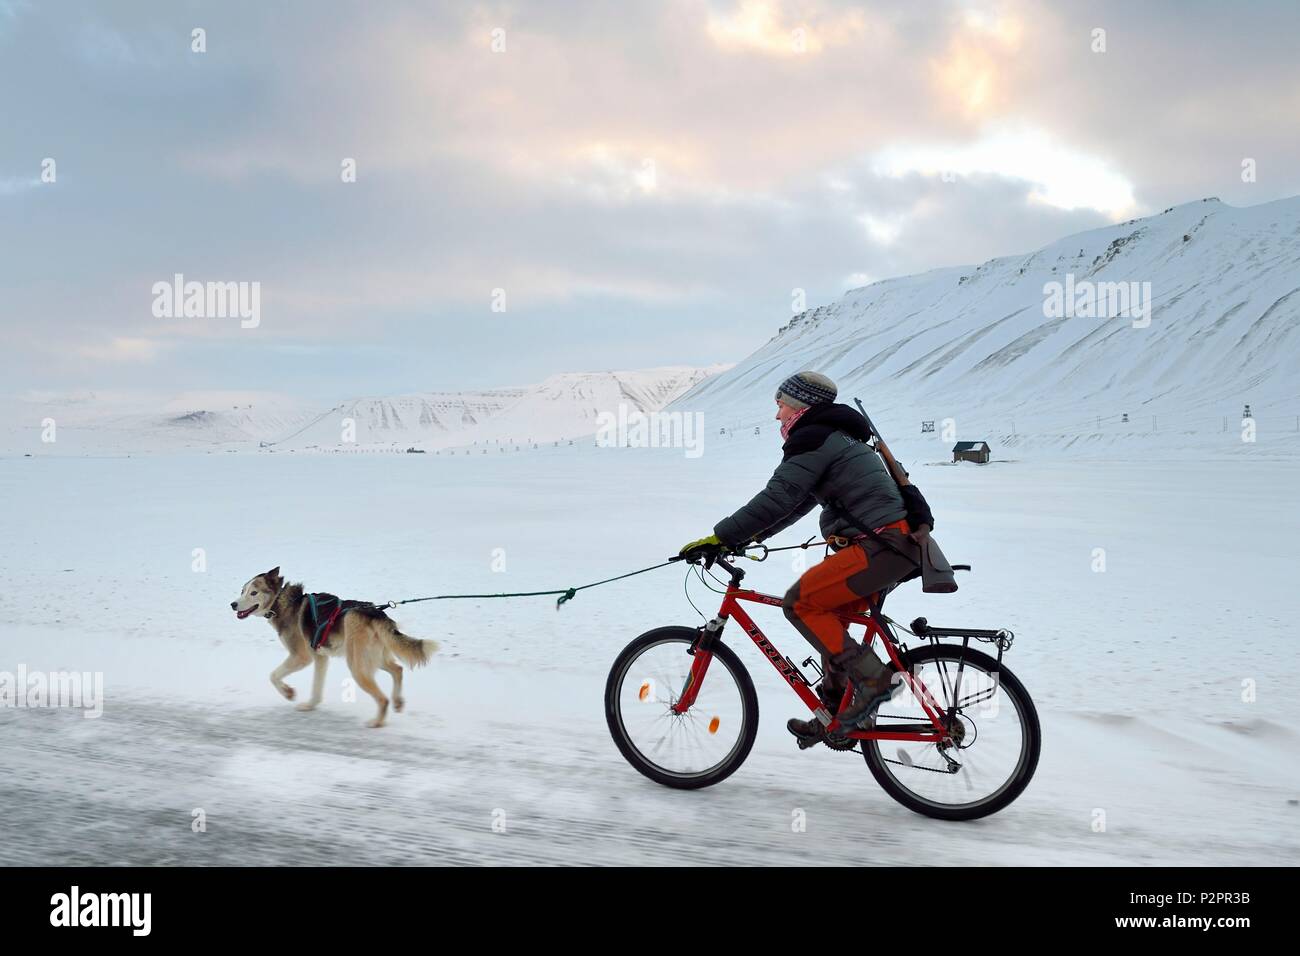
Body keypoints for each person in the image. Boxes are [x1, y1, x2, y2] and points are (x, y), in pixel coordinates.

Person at [678, 371, 922, 746]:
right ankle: (834, 713)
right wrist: (747, 538)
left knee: (800, 603)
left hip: (878, 547)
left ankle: (874, 680)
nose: (777, 416)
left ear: (801, 404)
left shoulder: (814, 438)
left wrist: (721, 537)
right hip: (894, 547)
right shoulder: (837, 439)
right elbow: (793, 506)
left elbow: (776, 498)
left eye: (780, 404)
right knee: (832, 616)